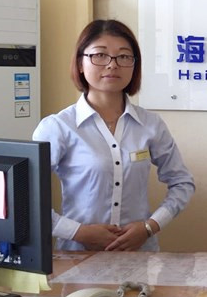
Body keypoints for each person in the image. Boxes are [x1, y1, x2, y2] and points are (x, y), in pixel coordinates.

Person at [33, 19, 195, 251]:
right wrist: (78, 232)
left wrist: (149, 227)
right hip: (78, 256)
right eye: (100, 55)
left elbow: (182, 182)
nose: (112, 65)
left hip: (140, 254)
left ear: (134, 65)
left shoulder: (151, 124)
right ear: (80, 63)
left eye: (124, 56)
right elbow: (25, 195)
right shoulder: (58, 127)